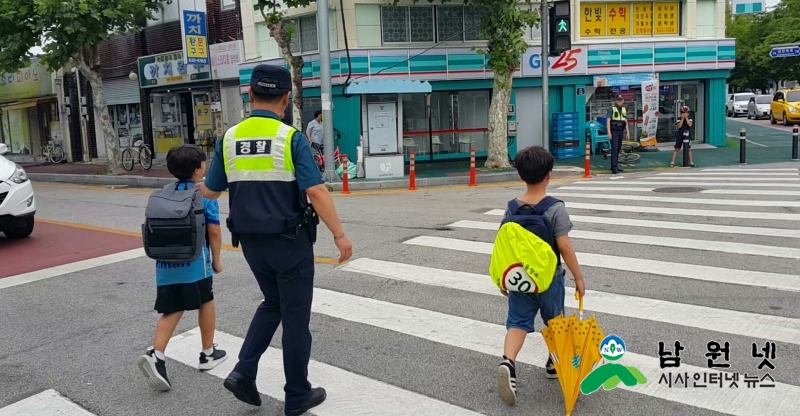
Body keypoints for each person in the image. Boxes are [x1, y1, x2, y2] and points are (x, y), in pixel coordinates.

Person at [197, 64, 353, 416]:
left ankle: (243, 371)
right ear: (286, 98)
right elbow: (315, 190)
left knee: (272, 302)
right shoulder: (290, 138)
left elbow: (210, 189)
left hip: (251, 244)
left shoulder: (229, 137)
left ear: (250, 96)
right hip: (290, 242)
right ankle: (297, 394)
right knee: (295, 317)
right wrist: (340, 236)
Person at [496, 146, 586, 406]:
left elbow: (505, 244)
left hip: (521, 279)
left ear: (520, 176)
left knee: (517, 323)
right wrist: (578, 277)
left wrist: (505, 277)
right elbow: (565, 246)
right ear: (549, 175)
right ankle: (555, 364)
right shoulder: (555, 208)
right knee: (556, 322)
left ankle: (508, 362)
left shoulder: (512, 207)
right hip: (549, 280)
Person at [137, 144, 227, 392]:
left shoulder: (163, 193)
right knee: (206, 301)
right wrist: (217, 261)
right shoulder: (203, 194)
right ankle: (208, 354)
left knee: (171, 309)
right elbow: (215, 232)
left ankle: (157, 354)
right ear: (198, 169)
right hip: (196, 263)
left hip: (165, 264)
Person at [605, 94, 630, 174]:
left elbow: (625, 120)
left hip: (621, 131)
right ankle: (614, 167)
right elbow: (608, 120)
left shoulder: (623, 109)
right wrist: (609, 132)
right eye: (618, 100)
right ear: (615, 100)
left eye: (621, 100)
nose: (620, 101)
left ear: (623, 101)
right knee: (614, 149)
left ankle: (614, 166)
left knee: (618, 149)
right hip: (614, 131)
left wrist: (628, 132)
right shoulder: (611, 109)